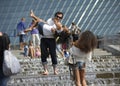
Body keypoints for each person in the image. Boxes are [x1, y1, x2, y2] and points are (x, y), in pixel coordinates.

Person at [29, 10, 64, 75]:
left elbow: (58, 32)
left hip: (51, 39)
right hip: (44, 38)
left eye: (60, 17)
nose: (58, 18)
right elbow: (44, 24)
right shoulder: (50, 20)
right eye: (57, 16)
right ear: (55, 16)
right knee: (43, 54)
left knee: (53, 54)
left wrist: (56, 25)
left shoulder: (59, 24)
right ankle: (46, 70)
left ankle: (55, 70)